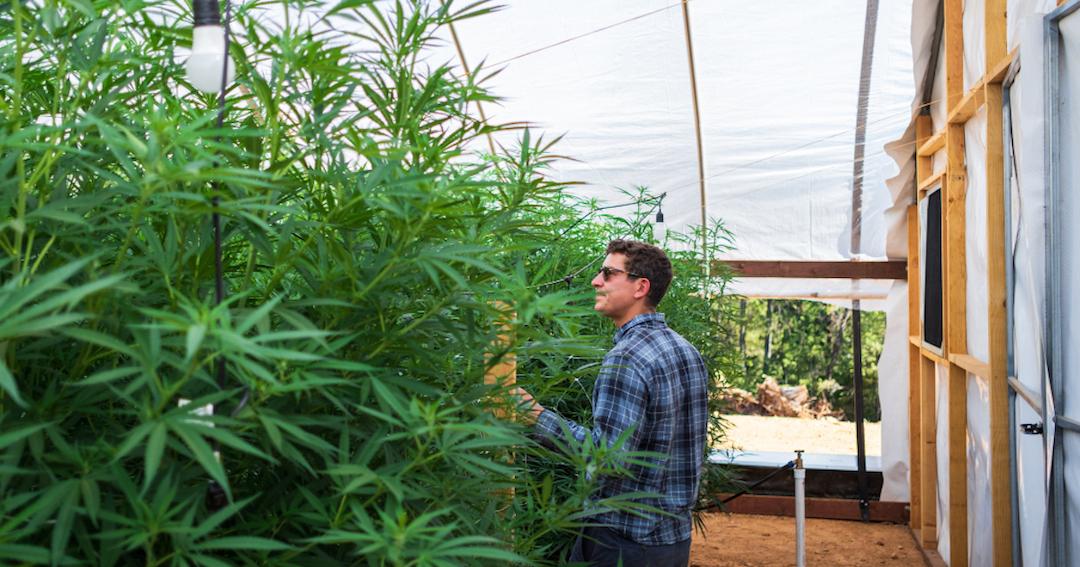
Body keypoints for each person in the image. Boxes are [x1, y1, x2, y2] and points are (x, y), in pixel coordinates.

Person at [514, 239, 708, 567]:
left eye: (608, 273)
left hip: (624, 541)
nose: (595, 280)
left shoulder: (626, 359)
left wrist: (536, 417)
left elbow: (608, 458)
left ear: (640, 287)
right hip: (672, 540)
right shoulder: (686, 350)